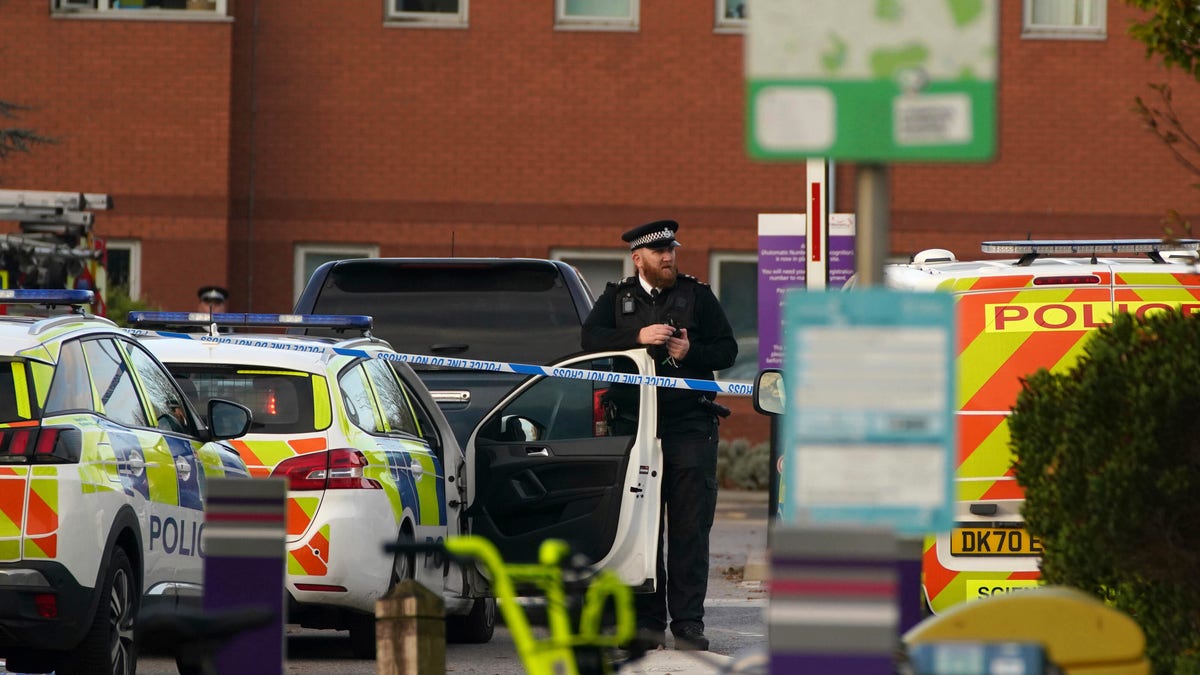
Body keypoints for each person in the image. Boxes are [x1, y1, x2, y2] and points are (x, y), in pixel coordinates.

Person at [580, 219, 737, 652]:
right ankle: (647, 623)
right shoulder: (616, 299)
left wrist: (691, 353)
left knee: (689, 529)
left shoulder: (697, 296)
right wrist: (637, 336)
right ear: (638, 259)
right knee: (643, 529)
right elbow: (588, 340)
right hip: (636, 430)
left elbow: (728, 349)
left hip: (690, 427)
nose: (668, 258)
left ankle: (688, 624)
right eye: (659, 252)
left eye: (671, 250)